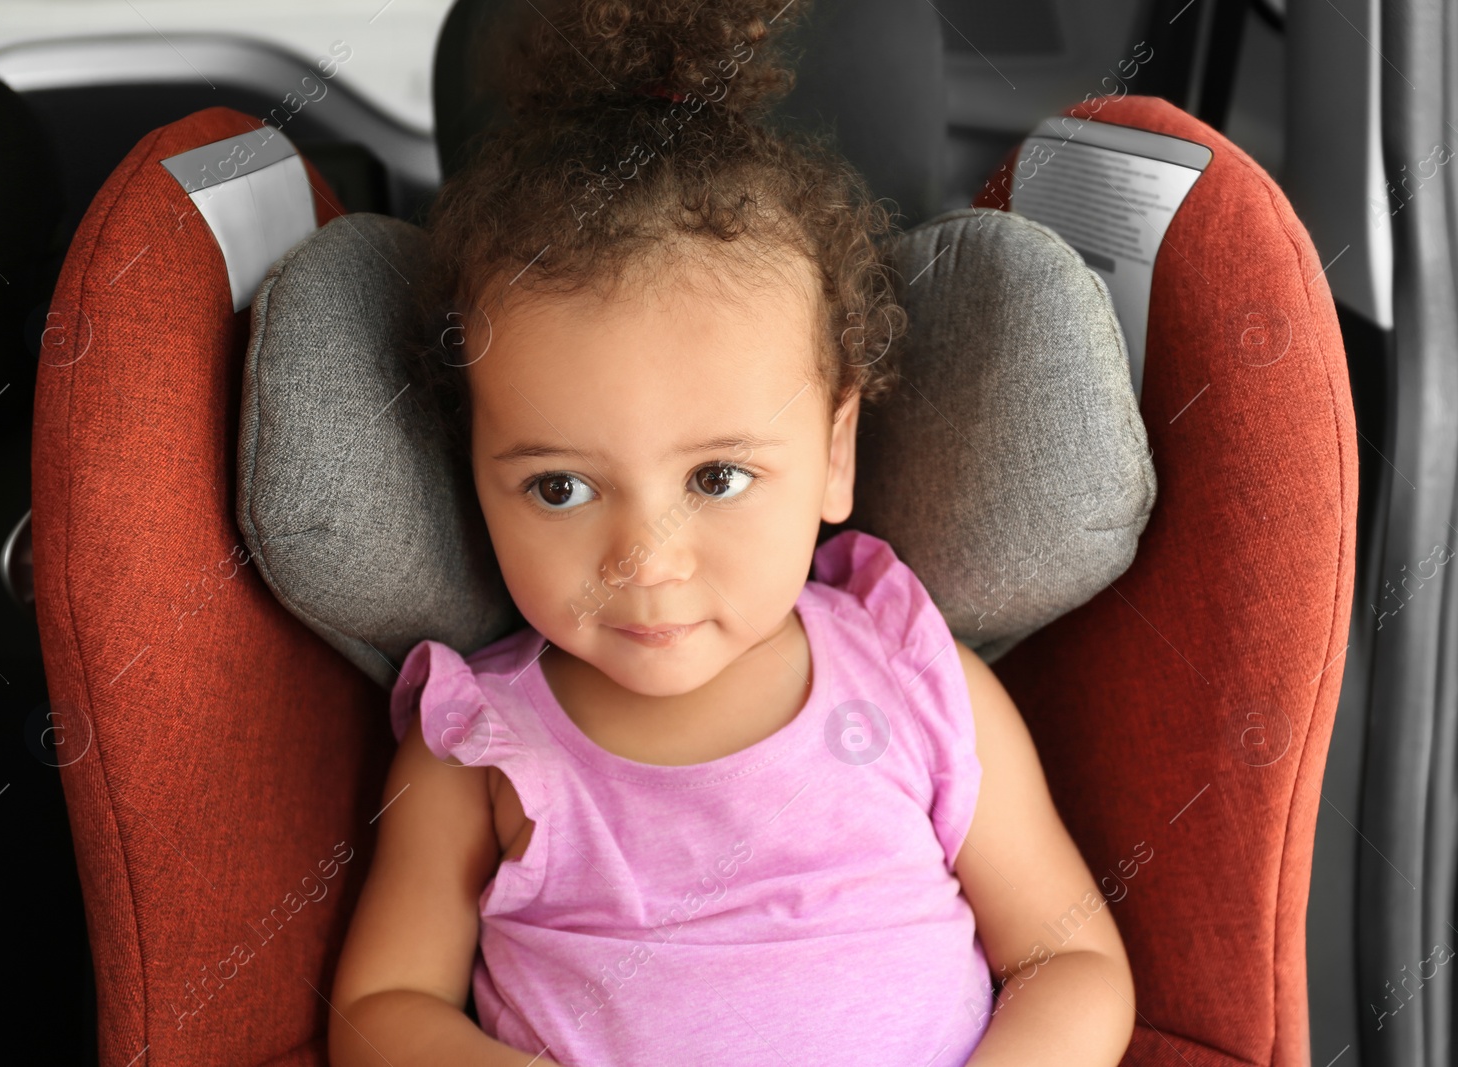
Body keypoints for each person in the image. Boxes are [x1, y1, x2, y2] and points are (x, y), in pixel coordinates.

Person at [330, 2, 1133, 1064]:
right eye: (560, 487)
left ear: (835, 452)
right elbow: (381, 1008)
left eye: (717, 475)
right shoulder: (475, 746)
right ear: (471, 470)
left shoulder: (914, 680)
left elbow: (1070, 963)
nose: (646, 559)